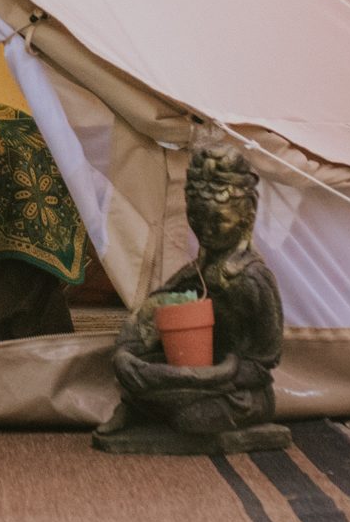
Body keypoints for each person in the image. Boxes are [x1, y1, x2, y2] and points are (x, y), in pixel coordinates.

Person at [94, 143, 289, 454]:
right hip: (194, 374)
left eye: (217, 219)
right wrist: (127, 353)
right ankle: (148, 403)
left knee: (192, 417)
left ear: (247, 214)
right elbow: (146, 320)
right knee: (140, 376)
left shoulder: (252, 279)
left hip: (240, 390)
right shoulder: (194, 274)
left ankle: (156, 408)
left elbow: (264, 362)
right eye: (197, 218)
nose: (206, 229)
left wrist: (220, 373)